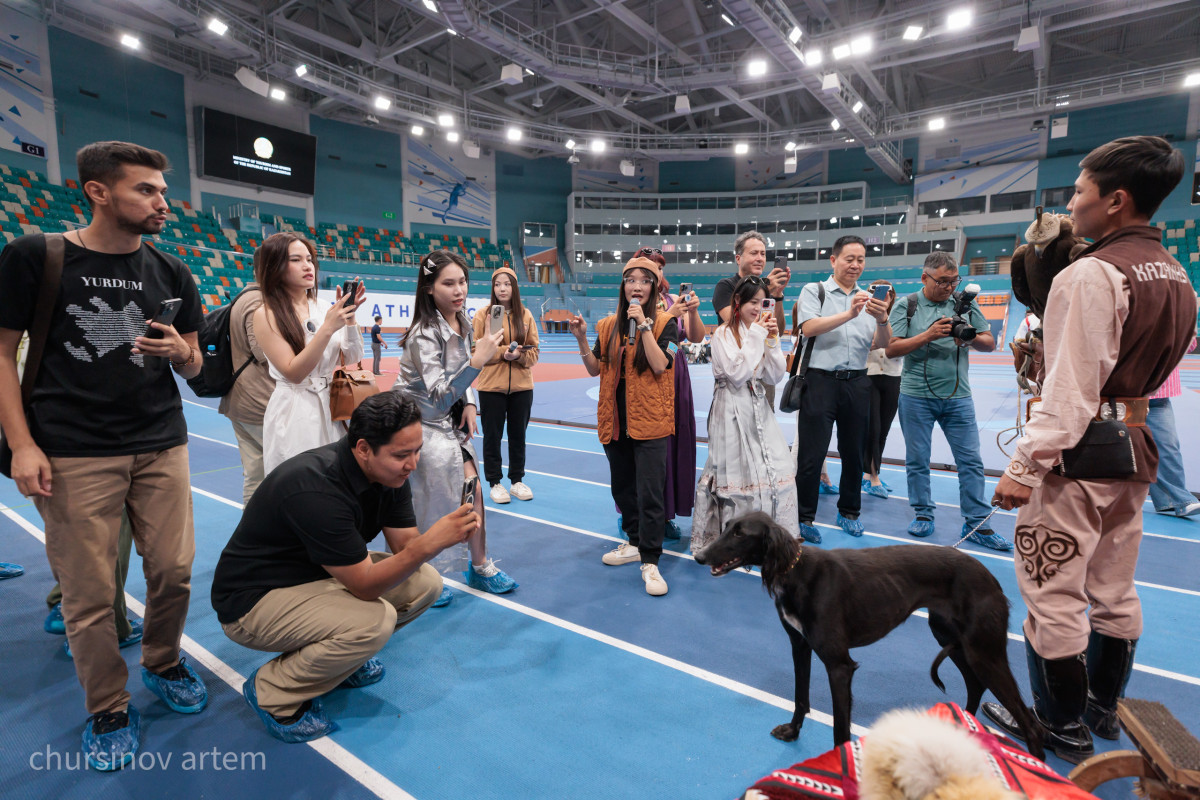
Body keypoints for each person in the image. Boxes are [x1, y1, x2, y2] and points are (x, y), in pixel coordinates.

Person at [985, 136, 1196, 763]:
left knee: (1052, 592)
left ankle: (1060, 724)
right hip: (1135, 446)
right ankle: (1102, 712)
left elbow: (1073, 392)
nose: (1072, 206)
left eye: (1080, 192)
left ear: (1116, 200)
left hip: (1078, 457)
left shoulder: (1091, 273)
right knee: (1114, 588)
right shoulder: (1178, 275)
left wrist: (1026, 465)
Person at [0, 141, 209, 770]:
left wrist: (183, 355)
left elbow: (197, 362)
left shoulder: (171, 270)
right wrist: (21, 444)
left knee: (173, 570)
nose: (162, 203)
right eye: (146, 190)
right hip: (71, 450)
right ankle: (108, 705)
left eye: (163, 192)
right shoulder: (38, 256)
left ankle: (163, 660)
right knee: (88, 595)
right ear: (98, 191)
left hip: (160, 441)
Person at [211, 393, 474, 743]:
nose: (413, 463)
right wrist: (433, 542)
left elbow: (405, 548)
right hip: (252, 601)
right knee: (374, 620)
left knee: (425, 582)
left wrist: (435, 538)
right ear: (363, 448)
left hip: (313, 580)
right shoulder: (316, 486)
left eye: (416, 450)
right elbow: (365, 585)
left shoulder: (390, 474)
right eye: (401, 454)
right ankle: (271, 692)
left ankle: (340, 661)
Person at [396, 249, 516, 606]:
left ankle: (479, 567)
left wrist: (470, 405)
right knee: (427, 501)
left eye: (462, 281)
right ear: (429, 288)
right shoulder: (422, 335)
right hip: (415, 425)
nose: (458, 289)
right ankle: (422, 577)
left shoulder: (462, 321)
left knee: (473, 491)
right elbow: (435, 396)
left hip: (447, 421)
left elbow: (458, 387)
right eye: (448, 283)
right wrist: (478, 362)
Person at [884, 253, 1012, 552]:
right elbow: (891, 349)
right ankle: (923, 514)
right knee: (918, 460)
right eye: (942, 281)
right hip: (916, 396)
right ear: (924, 278)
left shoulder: (963, 303)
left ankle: (978, 523)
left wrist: (966, 340)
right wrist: (928, 335)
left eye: (954, 281)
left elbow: (989, 343)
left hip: (959, 398)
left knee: (971, 461)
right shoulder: (907, 305)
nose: (948, 287)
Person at [570, 255, 677, 596]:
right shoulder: (607, 325)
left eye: (644, 280)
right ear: (623, 286)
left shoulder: (666, 324)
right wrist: (582, 339)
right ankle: (633, 542)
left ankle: (651, 559)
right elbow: (593, 369)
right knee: (623, 489)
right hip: (615, 422)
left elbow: (661, 365)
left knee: (650, 494)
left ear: (654, 287)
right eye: (630, 279)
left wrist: (644, 325)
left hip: (651, 422)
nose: (636, 286)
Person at [792, 235, 891, 543]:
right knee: (812, 453)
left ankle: (849, 511)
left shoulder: (870, 298)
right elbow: (808, 328)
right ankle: (803, 515)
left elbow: (884, 345)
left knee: (853, 452)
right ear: (833, 261)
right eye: (849, 258)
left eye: (861, 259)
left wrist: (883, 318)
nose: (856, 265)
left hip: (858, 382)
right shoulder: (815, 291)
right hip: (820, 381)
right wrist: (849, 314)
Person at [692, 276, 798, 551]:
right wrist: (758, 336)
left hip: (757, 407)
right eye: (753, 302)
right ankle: (731, 541)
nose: (758, 308)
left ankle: (765, 537)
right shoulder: (723, 334)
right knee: (733, 473)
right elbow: (737, 375)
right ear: (737, 301)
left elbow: (774, 376)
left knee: (771, 468)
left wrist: (773, 341)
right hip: (729, 408)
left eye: (763, 303)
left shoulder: (759, 332)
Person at [253, 233, 365, 475]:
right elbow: (294, 372)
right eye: (296, 259)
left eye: (310, 259)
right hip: (295, 410)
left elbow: (352, 358)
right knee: (301, 481)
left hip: (331, 405)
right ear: (275, 266)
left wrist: (350, 318)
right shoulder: (266, 314)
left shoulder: (323, 306)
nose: (307, 266)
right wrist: (326, 329)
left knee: (335, 480)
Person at [616, 246, 703, 541]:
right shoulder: (638, 303)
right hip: (645, 374)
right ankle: (632, 512)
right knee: (643, 445)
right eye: (638, 274)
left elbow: (691, 338)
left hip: (674, 371)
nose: (653, 274)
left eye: (658, 267)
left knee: (674, 445)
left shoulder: (673, 300)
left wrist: (689, 312)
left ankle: (666, 512)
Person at [472, 265, 539, 504]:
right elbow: (476, 352)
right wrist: (504, 354)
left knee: (518, 435)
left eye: (507, 284)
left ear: (514, 287)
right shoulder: (482, 315)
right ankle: (495, 482)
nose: (502, 288)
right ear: (492, 288)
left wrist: (519, 356)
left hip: (522, 388)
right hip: (491, 388)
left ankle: (517, 480)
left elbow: (534, 353)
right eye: (498, 284)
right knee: (493, 435)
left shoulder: (526, 315)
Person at [712, 231, 790, 406]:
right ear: (738, 258)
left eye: (763, 254)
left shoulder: (768, 290)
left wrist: (776, 295)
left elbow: (777, 328)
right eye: (753, 253)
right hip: (736, 371)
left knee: (764, 424)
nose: (760, 258)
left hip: (763, 370)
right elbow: (735, 321)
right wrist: (765, 285)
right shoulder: (725, 286)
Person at [219, 283, 273, 503]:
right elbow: (263, 353)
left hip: (242, 399)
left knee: (255, 475)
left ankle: (253, 533)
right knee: (284, 474)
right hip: (259, 401)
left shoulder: (242, 297)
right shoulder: (257, 301)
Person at [862, 280, 902, 499]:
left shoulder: (899, 315)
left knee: (883, 430)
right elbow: (868, 343)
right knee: (872, 429)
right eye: (875, 291)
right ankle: (872, 476)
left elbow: (897, 344)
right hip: (868, 374)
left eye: (888, 293)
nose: (883, 295)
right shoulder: (862, 314)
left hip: (893, 375)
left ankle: (871, 473)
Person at [1147, 362, 1200, 517]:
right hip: (1121, 388)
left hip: (1158, 393)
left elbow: (1189, 344)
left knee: (1167, 446)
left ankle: (1174, 500)